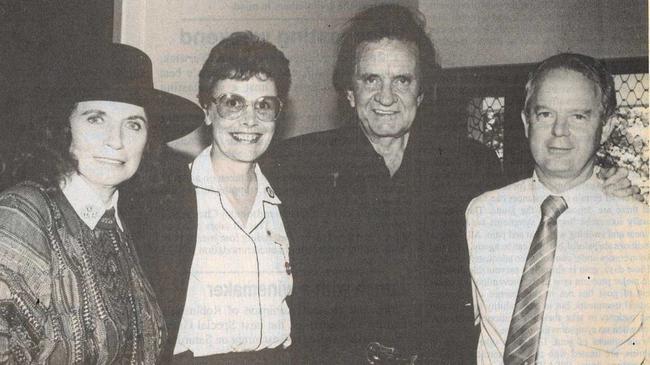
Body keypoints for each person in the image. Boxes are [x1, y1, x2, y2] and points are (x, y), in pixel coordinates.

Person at [261, 4, 638, 364]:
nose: (386, 97)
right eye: (371, 79)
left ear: (422, 91)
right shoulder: (297, 167)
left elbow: (545, 192)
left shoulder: (471, 166)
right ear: (348, 90)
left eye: (402, 80)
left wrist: (604, 184)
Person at [0, 43, 203, 364]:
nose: (116, 140)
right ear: (64, 128)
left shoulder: (124, 224)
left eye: (134, 124)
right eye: (96, 119)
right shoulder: (22, 216)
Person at [466, 53, 649, 364]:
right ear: (526, 122)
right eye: (545, 114)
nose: (559, 131)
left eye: (579, 116)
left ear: (605, 128)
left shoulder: (638, 228)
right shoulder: (483, 214)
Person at [125, 31, 293, 364]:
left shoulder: (291, 202)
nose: (250, 119)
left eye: (264, 105)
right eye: (233, 103)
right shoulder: (166, 200)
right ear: (207, 110)